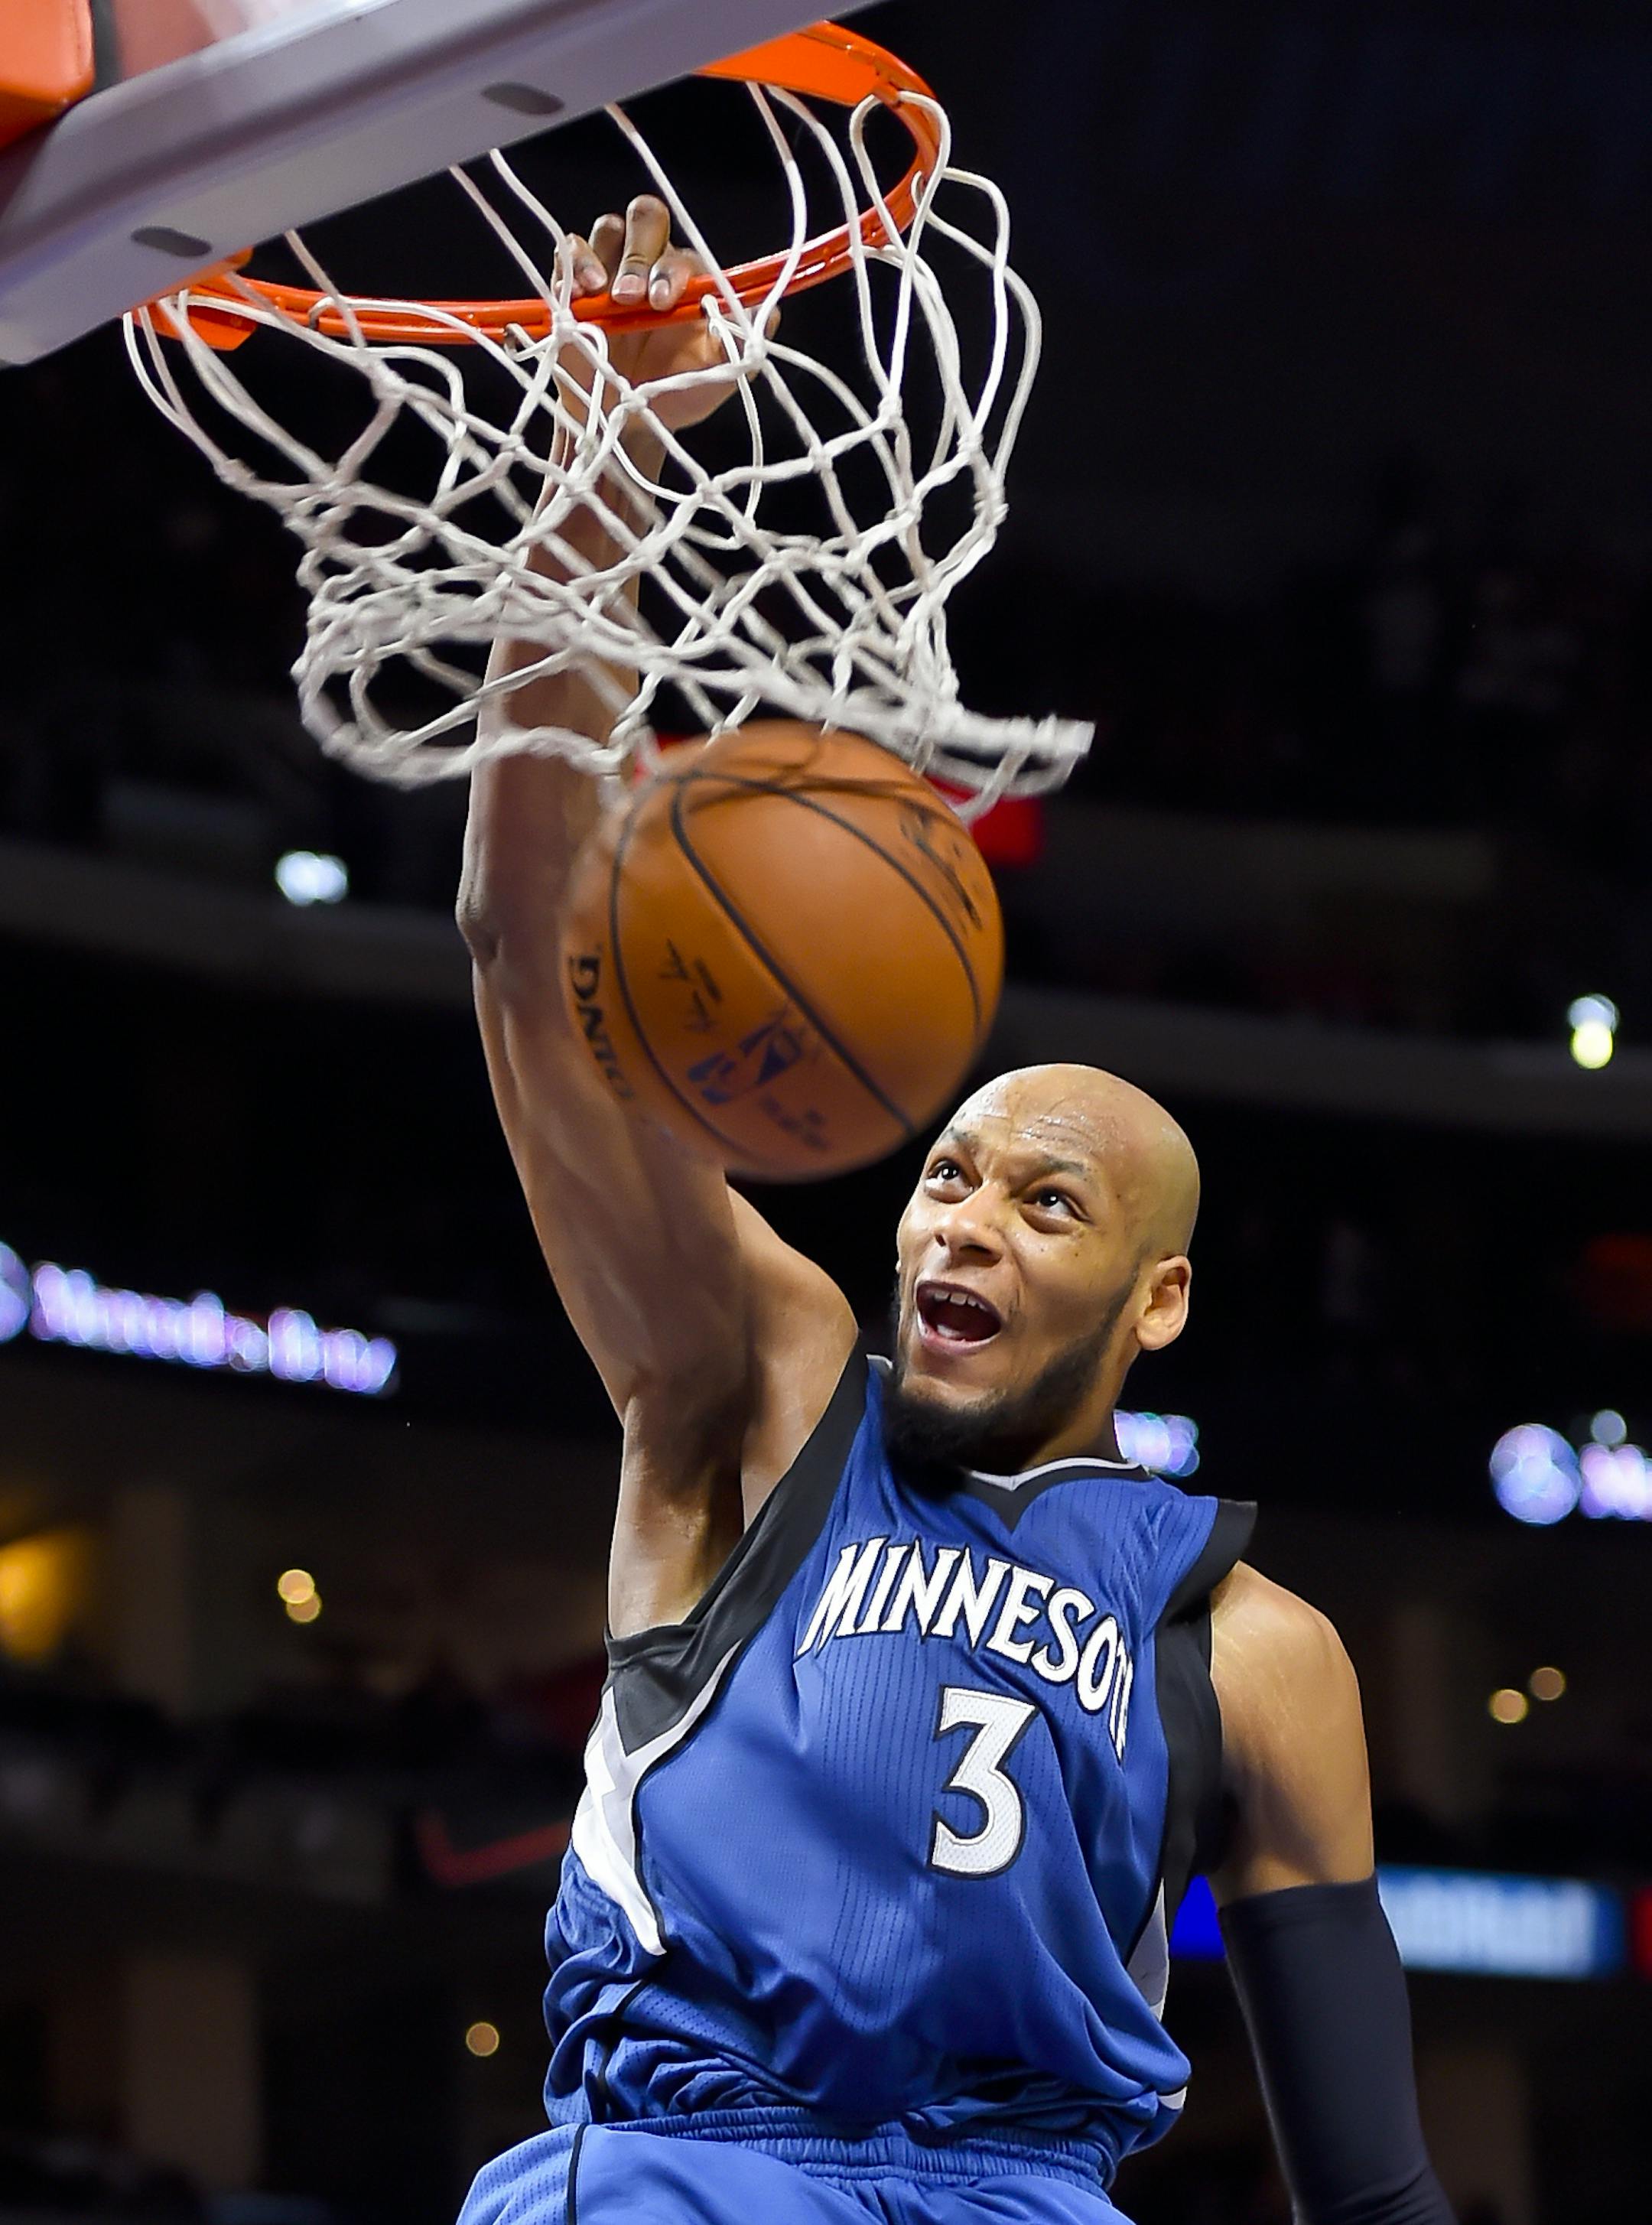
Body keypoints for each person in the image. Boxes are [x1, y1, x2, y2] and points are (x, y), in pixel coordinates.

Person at [455, 199, 1452, 2225]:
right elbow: (518, 947)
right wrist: (607, 471)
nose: (962, 1224)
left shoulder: (1253, 1648)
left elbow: (1369, 2183)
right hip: (686, 2173)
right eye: (946, 1176)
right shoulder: (759, 1395)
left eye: (1046, 1201)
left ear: (1157, 1301)